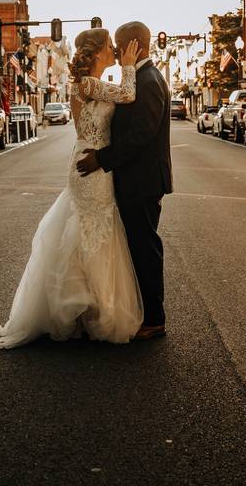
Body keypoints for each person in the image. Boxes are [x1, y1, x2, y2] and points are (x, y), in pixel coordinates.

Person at [0, 29, 143, 349]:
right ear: (97, 51)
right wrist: (128, 65)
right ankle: (87, 308)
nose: (114, 50)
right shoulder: (86, 84)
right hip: (91, 166)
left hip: (89, 161)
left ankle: (85, 305)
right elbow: (128, 94)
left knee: (87, 232)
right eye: (109, 47)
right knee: (92, 232)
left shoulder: (86, 84)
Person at [76, 22, 172, 340]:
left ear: (133, 45)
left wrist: (102, 160)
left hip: (142, 181)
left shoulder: (148, 80)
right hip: (127, 178)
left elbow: (141, 134)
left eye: (119, 44)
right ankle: (138, 311)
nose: (116, 51)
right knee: (131, 245)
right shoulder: (138, 77)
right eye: (112, 46)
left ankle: (155, 319)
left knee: (144, 247)